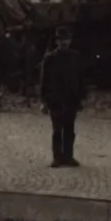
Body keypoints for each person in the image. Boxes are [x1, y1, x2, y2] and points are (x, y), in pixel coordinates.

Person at [40, 26, 87, 167]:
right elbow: (44, 81)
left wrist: (80, 98)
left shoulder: (75, 57)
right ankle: (57, 157)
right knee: (57, 130)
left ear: (70, 41)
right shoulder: (50, 59)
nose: (64, 43)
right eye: (61, 40)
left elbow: (80, 78)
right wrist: (43, 101)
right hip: (55, 99)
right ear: (57, 42)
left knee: (70, 130)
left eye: (66, 40)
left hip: (71, 99)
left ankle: (68, 156)